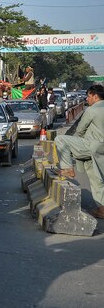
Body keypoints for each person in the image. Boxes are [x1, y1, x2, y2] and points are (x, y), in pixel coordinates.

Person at [55, 84, 104, 218]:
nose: (87, 99)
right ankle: (102, 208)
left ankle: (67, 168)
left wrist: (74, 147)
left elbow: (80, 130)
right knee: (96, 178)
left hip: (91, 146)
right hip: (101, 150)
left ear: (95, 96)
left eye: (88, 96)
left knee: (61, 140)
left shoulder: (91, 110)